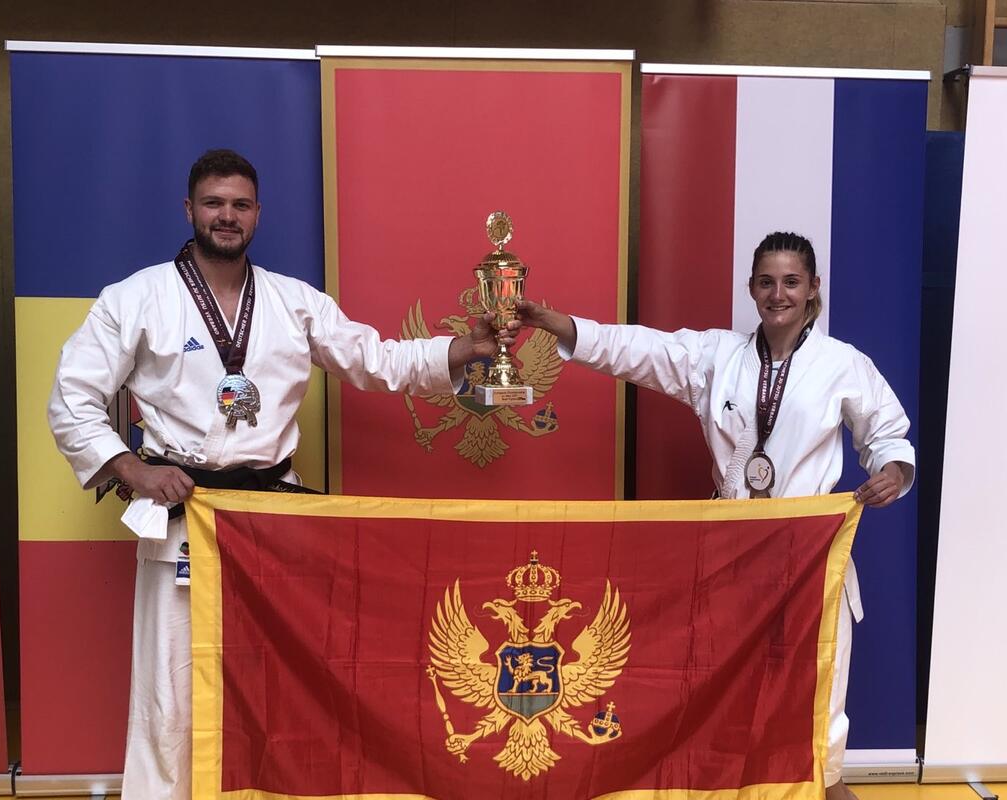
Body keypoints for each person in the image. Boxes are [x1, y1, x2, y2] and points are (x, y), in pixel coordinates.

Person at [48, 149, 511, 800]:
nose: (227, 215)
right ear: (189, 209)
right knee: (172, 687)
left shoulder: (295, 302)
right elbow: (72, 394)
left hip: (273, 516)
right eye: (214, 203)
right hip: (188, 513)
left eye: (240, 204)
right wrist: (129, 467)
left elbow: (374, 360)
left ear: (258, 214)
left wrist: (464, 349)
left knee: (278, 679)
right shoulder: (137, 297)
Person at [516, 231, 914, 800]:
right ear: (751, 288)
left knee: (819, 669)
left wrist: (893, 471)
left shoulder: (842, 364)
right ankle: (726, 779)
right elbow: (637, 349)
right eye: (766, 282)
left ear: (813, 288)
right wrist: (557, 323)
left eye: (792, 282)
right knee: (724, 674)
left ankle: (825, 780)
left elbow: (887, 433)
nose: (778, 294)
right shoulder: (716, 357)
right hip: (733, 547)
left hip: (807, 548)